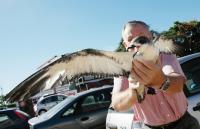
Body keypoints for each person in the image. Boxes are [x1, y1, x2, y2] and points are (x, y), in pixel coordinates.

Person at [111, 20, 200, 129]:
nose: (137, 43)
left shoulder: (165, 55)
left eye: (142, 36)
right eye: (130, 39)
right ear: (126, 45)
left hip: (185, 123)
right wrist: (133, 92)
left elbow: (178, 84)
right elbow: (116, 104)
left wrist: (161, 81)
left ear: (151, 38)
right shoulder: (122, 68)